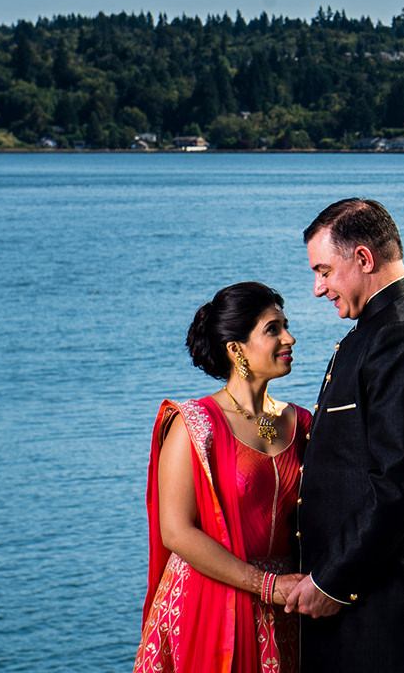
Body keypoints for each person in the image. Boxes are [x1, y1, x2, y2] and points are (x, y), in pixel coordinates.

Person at [282, 198, 404, 673]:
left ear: (363, 258)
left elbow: (398, 481)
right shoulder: (377, 329)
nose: (317, 288)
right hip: (364, 596)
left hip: (387, 604)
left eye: (324, 270)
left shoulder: (403, 335)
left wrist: (332, 582)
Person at [134, 282, 313, 673]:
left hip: (286, 612)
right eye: (273, 329)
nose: (289, 337)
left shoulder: (299, 422)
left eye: (286, 325)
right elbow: (177, 532)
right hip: (209, 607)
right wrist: (266, 585)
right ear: (236, 350)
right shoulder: (194, 426)